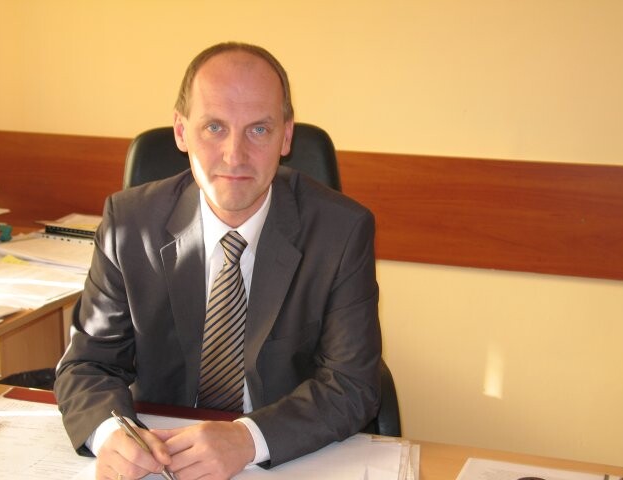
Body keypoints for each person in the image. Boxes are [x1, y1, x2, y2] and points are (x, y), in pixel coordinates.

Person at [54, 42, 381, 480]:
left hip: (280, 461)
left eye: (259, 129)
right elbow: (87, 363)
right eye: (214, 127)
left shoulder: (340, 231)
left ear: (286, 136)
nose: (234, 154)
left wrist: (246, 439)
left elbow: (352, 385)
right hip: (162, 456)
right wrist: (112, 434)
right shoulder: (128, 223)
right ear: (181, 131)